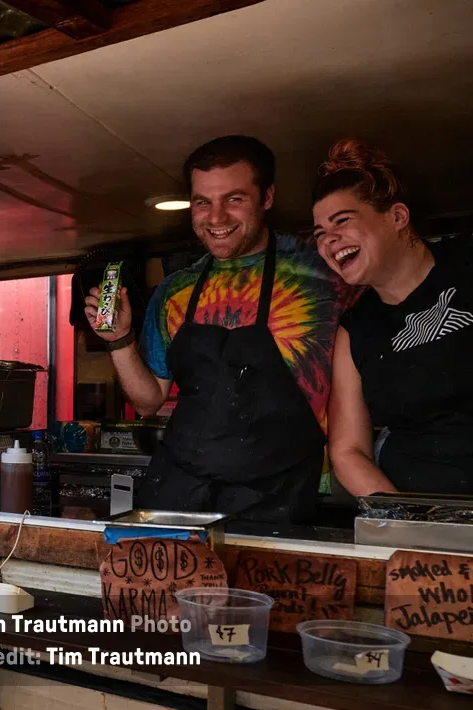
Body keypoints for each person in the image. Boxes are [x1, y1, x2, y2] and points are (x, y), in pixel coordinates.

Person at [84, 135, 356, 523]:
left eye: (234, 199)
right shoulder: (175, 291)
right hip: (180, 491)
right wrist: (118, 340)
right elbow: (148, 402)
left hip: (279, 494)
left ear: (267, 198)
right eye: (202, 202)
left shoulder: (324, 272)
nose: (216, 218)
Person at [313, 139, 473, 495]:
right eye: (320, 233)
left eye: (342, 222)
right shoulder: (355, 331)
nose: (329, 239)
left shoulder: (466, 262)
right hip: (424, 519)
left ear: (397, 217)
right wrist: (406, 524)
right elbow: (348, 452)